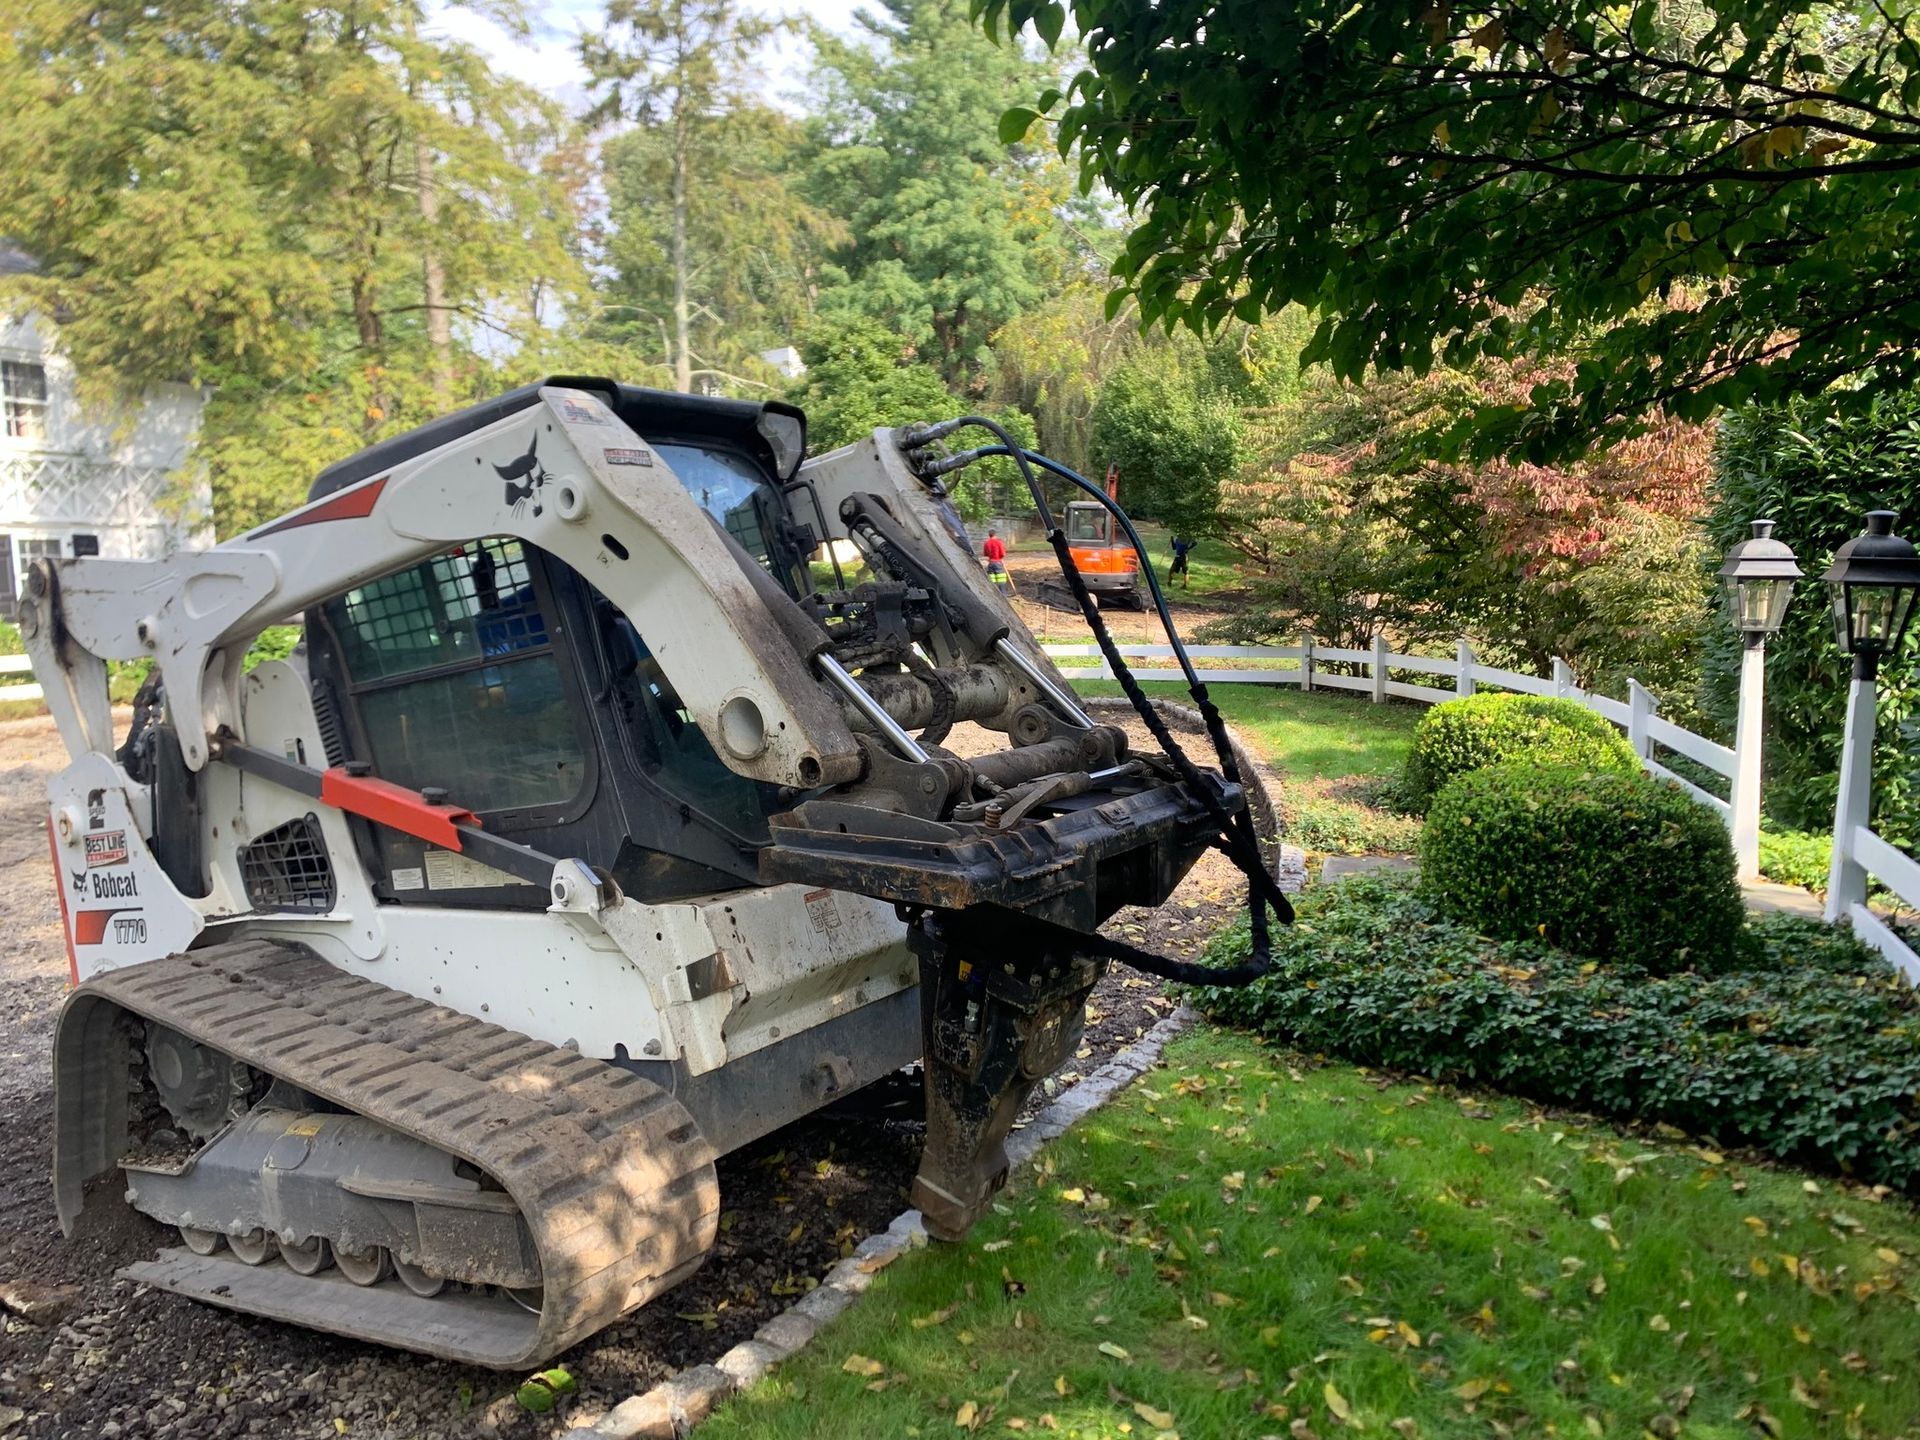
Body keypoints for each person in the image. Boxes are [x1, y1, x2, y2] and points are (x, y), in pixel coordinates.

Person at [982, 528, 1015, 594]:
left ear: (989, 535)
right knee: (1001, 579)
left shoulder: (986, 543)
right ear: (995, 534)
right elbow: (1002, 553)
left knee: (992, 580)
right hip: (998, 562)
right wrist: (1000, 558)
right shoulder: (998, 542)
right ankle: (1003, 594)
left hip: (990, 563)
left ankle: (994, 594)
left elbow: (985, 554)